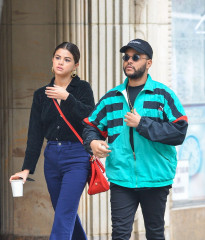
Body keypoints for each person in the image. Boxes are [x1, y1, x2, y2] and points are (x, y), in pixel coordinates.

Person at [83, 39, 188, 240]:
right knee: (120, 234)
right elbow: (91, 126)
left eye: (136, 57)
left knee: (155, 234)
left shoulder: (163, 95)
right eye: (126, 57)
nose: (129, 61)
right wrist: (93, 143)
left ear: (148, 63)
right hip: (121, 177)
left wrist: (142, 124)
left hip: (156, 177)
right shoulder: (112, 97)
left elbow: (179, 131)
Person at [10, 42, 95, 240]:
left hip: (77, 157)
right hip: (52, 159)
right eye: (58, 57)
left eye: (67, 60)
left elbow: (92, 117)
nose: (61, 63)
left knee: (63, 215)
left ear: (75, 66)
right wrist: (26, 169)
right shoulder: (42, 94)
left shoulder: (82, 89)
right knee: (65, 214)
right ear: (52, 60)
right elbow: (35, 133)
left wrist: (67, 98)